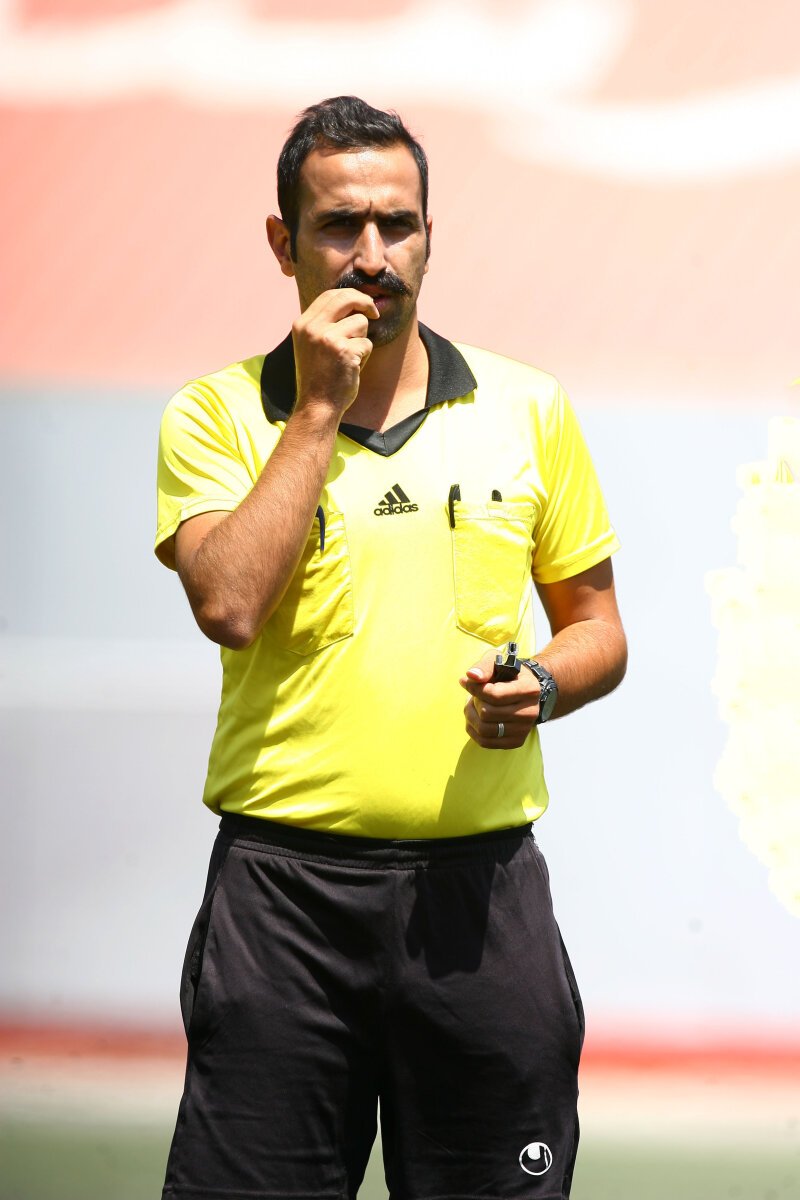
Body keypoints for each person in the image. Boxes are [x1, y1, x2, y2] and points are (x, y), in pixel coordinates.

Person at [155, 95, 627, 1200]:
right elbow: (228, 604)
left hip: (481, 904)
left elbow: (598, 631)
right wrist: (317, 411)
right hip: (282, 903)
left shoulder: (529, 407)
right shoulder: (216, 415)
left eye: (397, 224)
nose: (372, 256)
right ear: (283, 243)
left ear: (429, 235)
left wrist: (541, 685)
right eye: (338, 227)